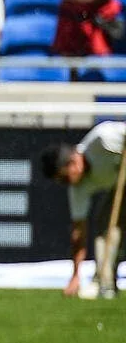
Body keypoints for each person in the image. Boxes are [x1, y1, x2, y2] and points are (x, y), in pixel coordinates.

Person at [40, 122, 126, 298]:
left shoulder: (103, 139)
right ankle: (106, 283)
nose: (67, 183)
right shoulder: (77, 188)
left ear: (73, 163)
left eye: (65, 178)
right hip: (121, 185)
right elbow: (79, 233)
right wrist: (75, 275)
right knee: (106, 224)